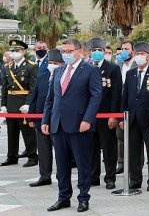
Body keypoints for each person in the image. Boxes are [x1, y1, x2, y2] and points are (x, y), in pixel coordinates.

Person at [42, 39, 103, 213]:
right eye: (64, 51)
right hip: (58, 124)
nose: (66, 54)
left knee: (83, 164)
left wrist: (87, 119)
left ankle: (83, 198)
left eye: (70, 50)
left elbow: (96, 96)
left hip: (79, 125)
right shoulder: (59, 70)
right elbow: (51, 98)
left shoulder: (91, 70)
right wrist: (46, 120)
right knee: (61, 164)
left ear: (80, 51)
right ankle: (63, 197)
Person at [120, 42, 149, 192]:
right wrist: (122, 117)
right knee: (133, 152)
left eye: (142, 54)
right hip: (132, 118)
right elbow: (125, 96)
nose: (139, 57)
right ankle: (135, 180)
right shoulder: (131, 73)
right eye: (137, 54)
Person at [87, 38, 122, 190]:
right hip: (90, 115)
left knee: (108, 148)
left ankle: (110, 177)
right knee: (91, 148)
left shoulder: (112, 69)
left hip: (106, 114)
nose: (96, 53)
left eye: (99, 50)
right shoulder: (86, 67)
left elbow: (116, 94)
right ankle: (94, 177)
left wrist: (113, 115)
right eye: (94, 50)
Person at [27, 49, 63, 187]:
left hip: (58, 119)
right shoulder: (42, 76)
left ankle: (62, 176)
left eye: (56, 63)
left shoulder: (64, 76)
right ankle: (44, 175)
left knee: (60, 151)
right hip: (41, 118)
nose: (52, 65)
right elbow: (34, 97)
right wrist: (31, 117)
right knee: (43, 149)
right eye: (50, 62)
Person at [1, 39, 39, 167]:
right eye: (12, 51)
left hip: (24, 103)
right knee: (11, 132)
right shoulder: (8, 67)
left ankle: (32, 156)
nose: (13, 53)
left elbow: (34, 88)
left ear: (23, 51)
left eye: (16, 50)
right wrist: (3, 104)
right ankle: (12, 156)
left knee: (28, 132)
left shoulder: (31, 66)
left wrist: (29, 104)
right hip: (11, 103)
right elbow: (4, 88)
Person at [116, 40, 136, 174]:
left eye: (126, 49)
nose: (124, 51)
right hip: (120, 106)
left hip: (134, 107)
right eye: (122, 49)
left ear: (132, 51)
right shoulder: (118, 66)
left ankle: (135, 165)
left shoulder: (136, 65)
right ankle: (122, 162)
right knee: (120, 136)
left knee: (135, 139)